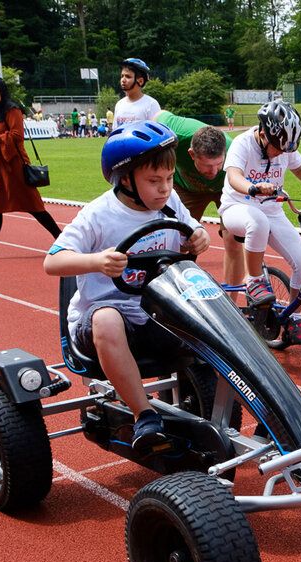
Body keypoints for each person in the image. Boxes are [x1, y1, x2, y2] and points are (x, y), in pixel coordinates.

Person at [43, 121, 211, 452]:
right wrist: (97, 261)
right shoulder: (98, 215)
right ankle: (145, 414)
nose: (164, 188)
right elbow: (52, 262)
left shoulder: (170, 201)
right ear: (125, 179)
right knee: (107, 318)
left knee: (213, 310)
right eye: (153, 181)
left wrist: (198, 237)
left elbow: (190, 232)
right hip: (102, 321)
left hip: (155, 313)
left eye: (168, 179)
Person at [219, 99, 301, 314]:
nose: (281, 153)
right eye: (277, 148)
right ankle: (253, 280)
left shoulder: (284, 146)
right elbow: (234, 176)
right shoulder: (242, 143)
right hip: (237, 207)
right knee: (257, 221)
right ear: (263, 133)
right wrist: (253, 188)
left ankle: (294, 316)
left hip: (272, 210)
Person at [0, 75, 61, 261]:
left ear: (2, 91)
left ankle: (64, 240)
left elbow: (17, 136)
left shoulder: (12, 109)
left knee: (34, 206)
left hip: (15, 165)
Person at [154, 110, 243, 290]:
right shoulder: (177, 133)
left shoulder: (235, 151)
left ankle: (232, 301)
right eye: (208, 166)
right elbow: (159, 115)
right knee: (177, 239)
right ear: (191, 154)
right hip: (186, 188)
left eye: (219, 164)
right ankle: (172, 292)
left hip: (225, 189)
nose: (214, 171)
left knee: (233, 240)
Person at [112, 58, 161, 130]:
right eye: (122, 76)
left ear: (140, 81)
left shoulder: (151, 104)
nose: (123, 80)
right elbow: (115, 132)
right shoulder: (119, 104)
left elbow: (158, 134)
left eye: (128, 76)